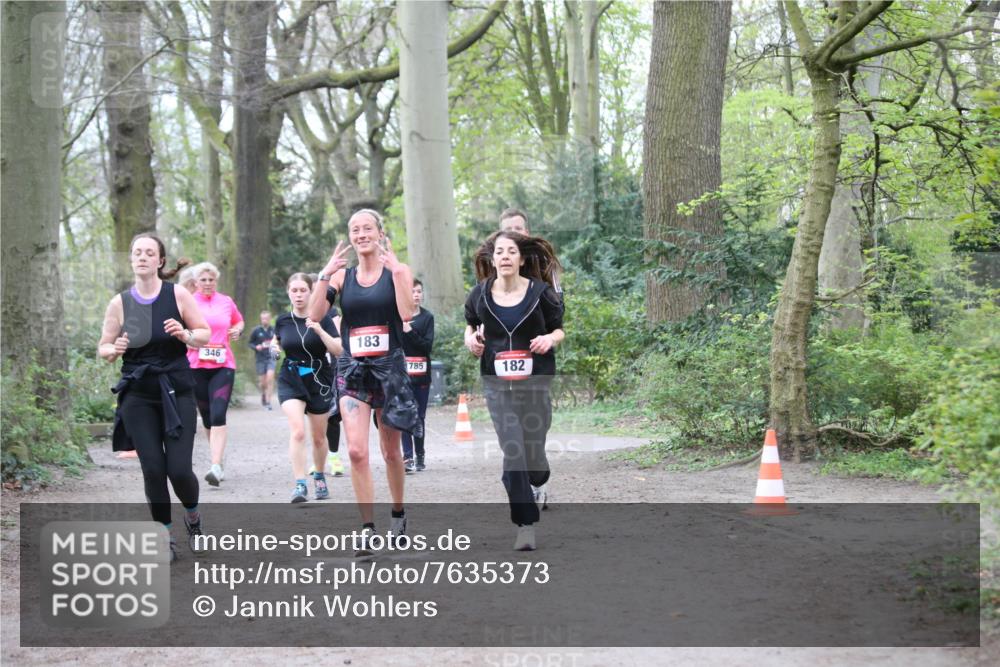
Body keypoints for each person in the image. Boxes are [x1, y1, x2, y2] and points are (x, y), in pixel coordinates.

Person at [308, 209, 422, 556]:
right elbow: (314, 315)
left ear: (379, 233)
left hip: (389, 368)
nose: (361, 234)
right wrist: (324, 276)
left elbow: (406, 314)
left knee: (391, 453)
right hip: (352, 368)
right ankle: (367, 528)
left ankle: (398, 516)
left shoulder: (395, 272)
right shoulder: (342, 277)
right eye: (355, 230)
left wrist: (401, 273)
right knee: (357, 450)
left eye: (367, 228)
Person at [98, 233, 211, 561]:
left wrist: (186, 335)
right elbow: (103, 347)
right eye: (137, 252)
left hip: (177, 390)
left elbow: (203, 333)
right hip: (138, 395)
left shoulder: (176, 295)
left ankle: (192, 516)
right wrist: (113, 348)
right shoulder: (120, 303)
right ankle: (163, 535)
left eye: (150, 252)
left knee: (178, 469)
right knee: (152, 468)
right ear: (132, 259)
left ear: (160, 261)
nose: (143, 257)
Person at [464, 230, 564, 551]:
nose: (505, 257)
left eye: (511, 252)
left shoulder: (542, 293)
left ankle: (538, 475)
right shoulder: (479, 295)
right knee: (513, 448)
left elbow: (558, 328)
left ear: (521, 259)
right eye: (499, 252)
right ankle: (525, 523)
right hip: (497, 384)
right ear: (492, 260)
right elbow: (470, 323)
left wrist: (550, 339)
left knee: (533, 455)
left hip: (535, 383)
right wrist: (470, 339)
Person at [273, 273, 342, 503]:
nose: (299, 295)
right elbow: (279, 340)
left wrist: (320, 330)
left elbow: (338, 350)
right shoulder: (282, 320)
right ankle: (300, 484)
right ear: (289, 293)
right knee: (298, 431)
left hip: (319, 379)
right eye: (294, 290)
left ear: (311, 292)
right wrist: (274, 348)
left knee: (319, 437)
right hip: (291, 377)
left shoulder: (324, 318)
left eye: (303, 290)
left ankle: (320, 476)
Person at [187, 262, 244, 487]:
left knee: (219, 414)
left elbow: (238, 320)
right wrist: (188, 338)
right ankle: (218, 458)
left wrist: (237, 329)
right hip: (196, 365)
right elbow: (179, 328)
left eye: (211, 280)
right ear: (195, 282)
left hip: (223, 365)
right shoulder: (188, 302)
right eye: (203, 280)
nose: (208, 283)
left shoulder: (226, 301)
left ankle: (215, 465)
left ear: (216, 281)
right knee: (208, 417)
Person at [400, 278, 435, 472]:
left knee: (419, 416)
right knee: (405, 414)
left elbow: (426, 347)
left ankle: (420, 454)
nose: (416, 295)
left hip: (422, 375)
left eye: (419, 291)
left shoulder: (427, 318)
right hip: (402, 376)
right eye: (412, 291)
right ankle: (407, 457)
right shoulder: (397, 317)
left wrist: (410, 330)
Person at [248, 310, 277, 410]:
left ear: (270, 319)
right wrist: (256, 347)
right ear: (261, 319)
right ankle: (264, 395)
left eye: (267, 318)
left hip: (271, 357)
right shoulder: (256, 330)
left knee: (270, 378)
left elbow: (280, 342)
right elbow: (250, 343)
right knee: (262, 382)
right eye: (263, 318)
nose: (265, 320)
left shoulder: (274, 330)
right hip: (260, 358)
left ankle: (268, 402)